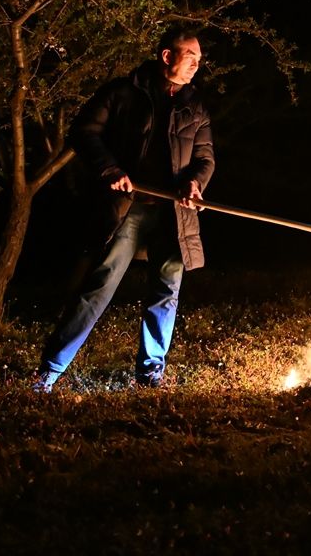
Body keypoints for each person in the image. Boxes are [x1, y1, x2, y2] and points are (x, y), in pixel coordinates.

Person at [32, 27, 214, 391]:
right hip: (126, 209)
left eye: (199, 58)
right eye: (190, 56)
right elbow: (84, 131)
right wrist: (110, 169)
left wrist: (195, 184)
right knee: (98, 286)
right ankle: (49, 372)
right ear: (167, 56)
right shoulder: (123, 92)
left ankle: (150, 374)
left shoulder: (194, 105)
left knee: (166, 292)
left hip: (174, 215)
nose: (196, 64)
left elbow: (204, 158)